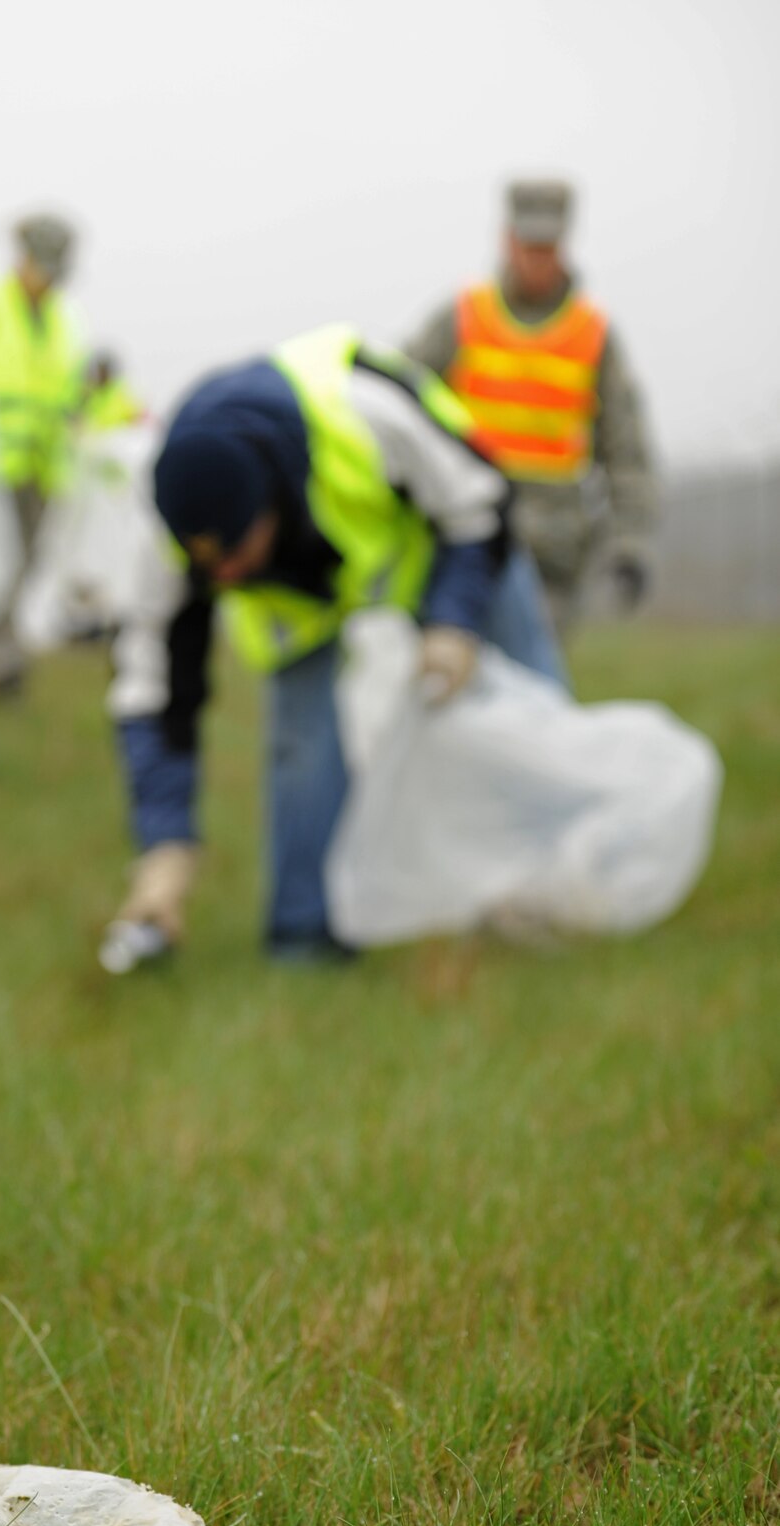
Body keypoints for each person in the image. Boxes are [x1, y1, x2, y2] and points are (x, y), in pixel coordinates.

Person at [99, 322, 569, 973]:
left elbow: (478, 505)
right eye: (209, 567)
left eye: (235, 553)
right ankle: (305, 940)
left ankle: (551, 878)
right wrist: (164, 847)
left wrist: (453, 622)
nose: (225, 576)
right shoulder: (167, 537)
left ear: (268, 502)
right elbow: (152, 692)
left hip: (452, 534)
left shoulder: (365, 415)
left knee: (530, 695)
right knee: (301, 743)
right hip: (310, 603)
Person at [406, 180, 656, 631]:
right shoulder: (463, 318)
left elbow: (627, 453)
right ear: (507, 241)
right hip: (469, 537)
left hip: (554, 556)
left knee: (537, 691)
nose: (537, 259)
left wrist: (629, 543)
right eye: (528, 245)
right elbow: (403, 398)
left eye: (547, 247)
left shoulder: (592, 335)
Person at [0, 214, 86, 691]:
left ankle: (1, 657)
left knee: (26, 565)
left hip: (43, 465)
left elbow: (69, 391)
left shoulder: (65, 319)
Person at [82, 351, 145, 433]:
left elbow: (141, 414)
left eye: (104, 372)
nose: (101, 376)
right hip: (93, 440)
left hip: (116, 440)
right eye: (99, 372)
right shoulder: (87, 395)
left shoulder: (121, 395)